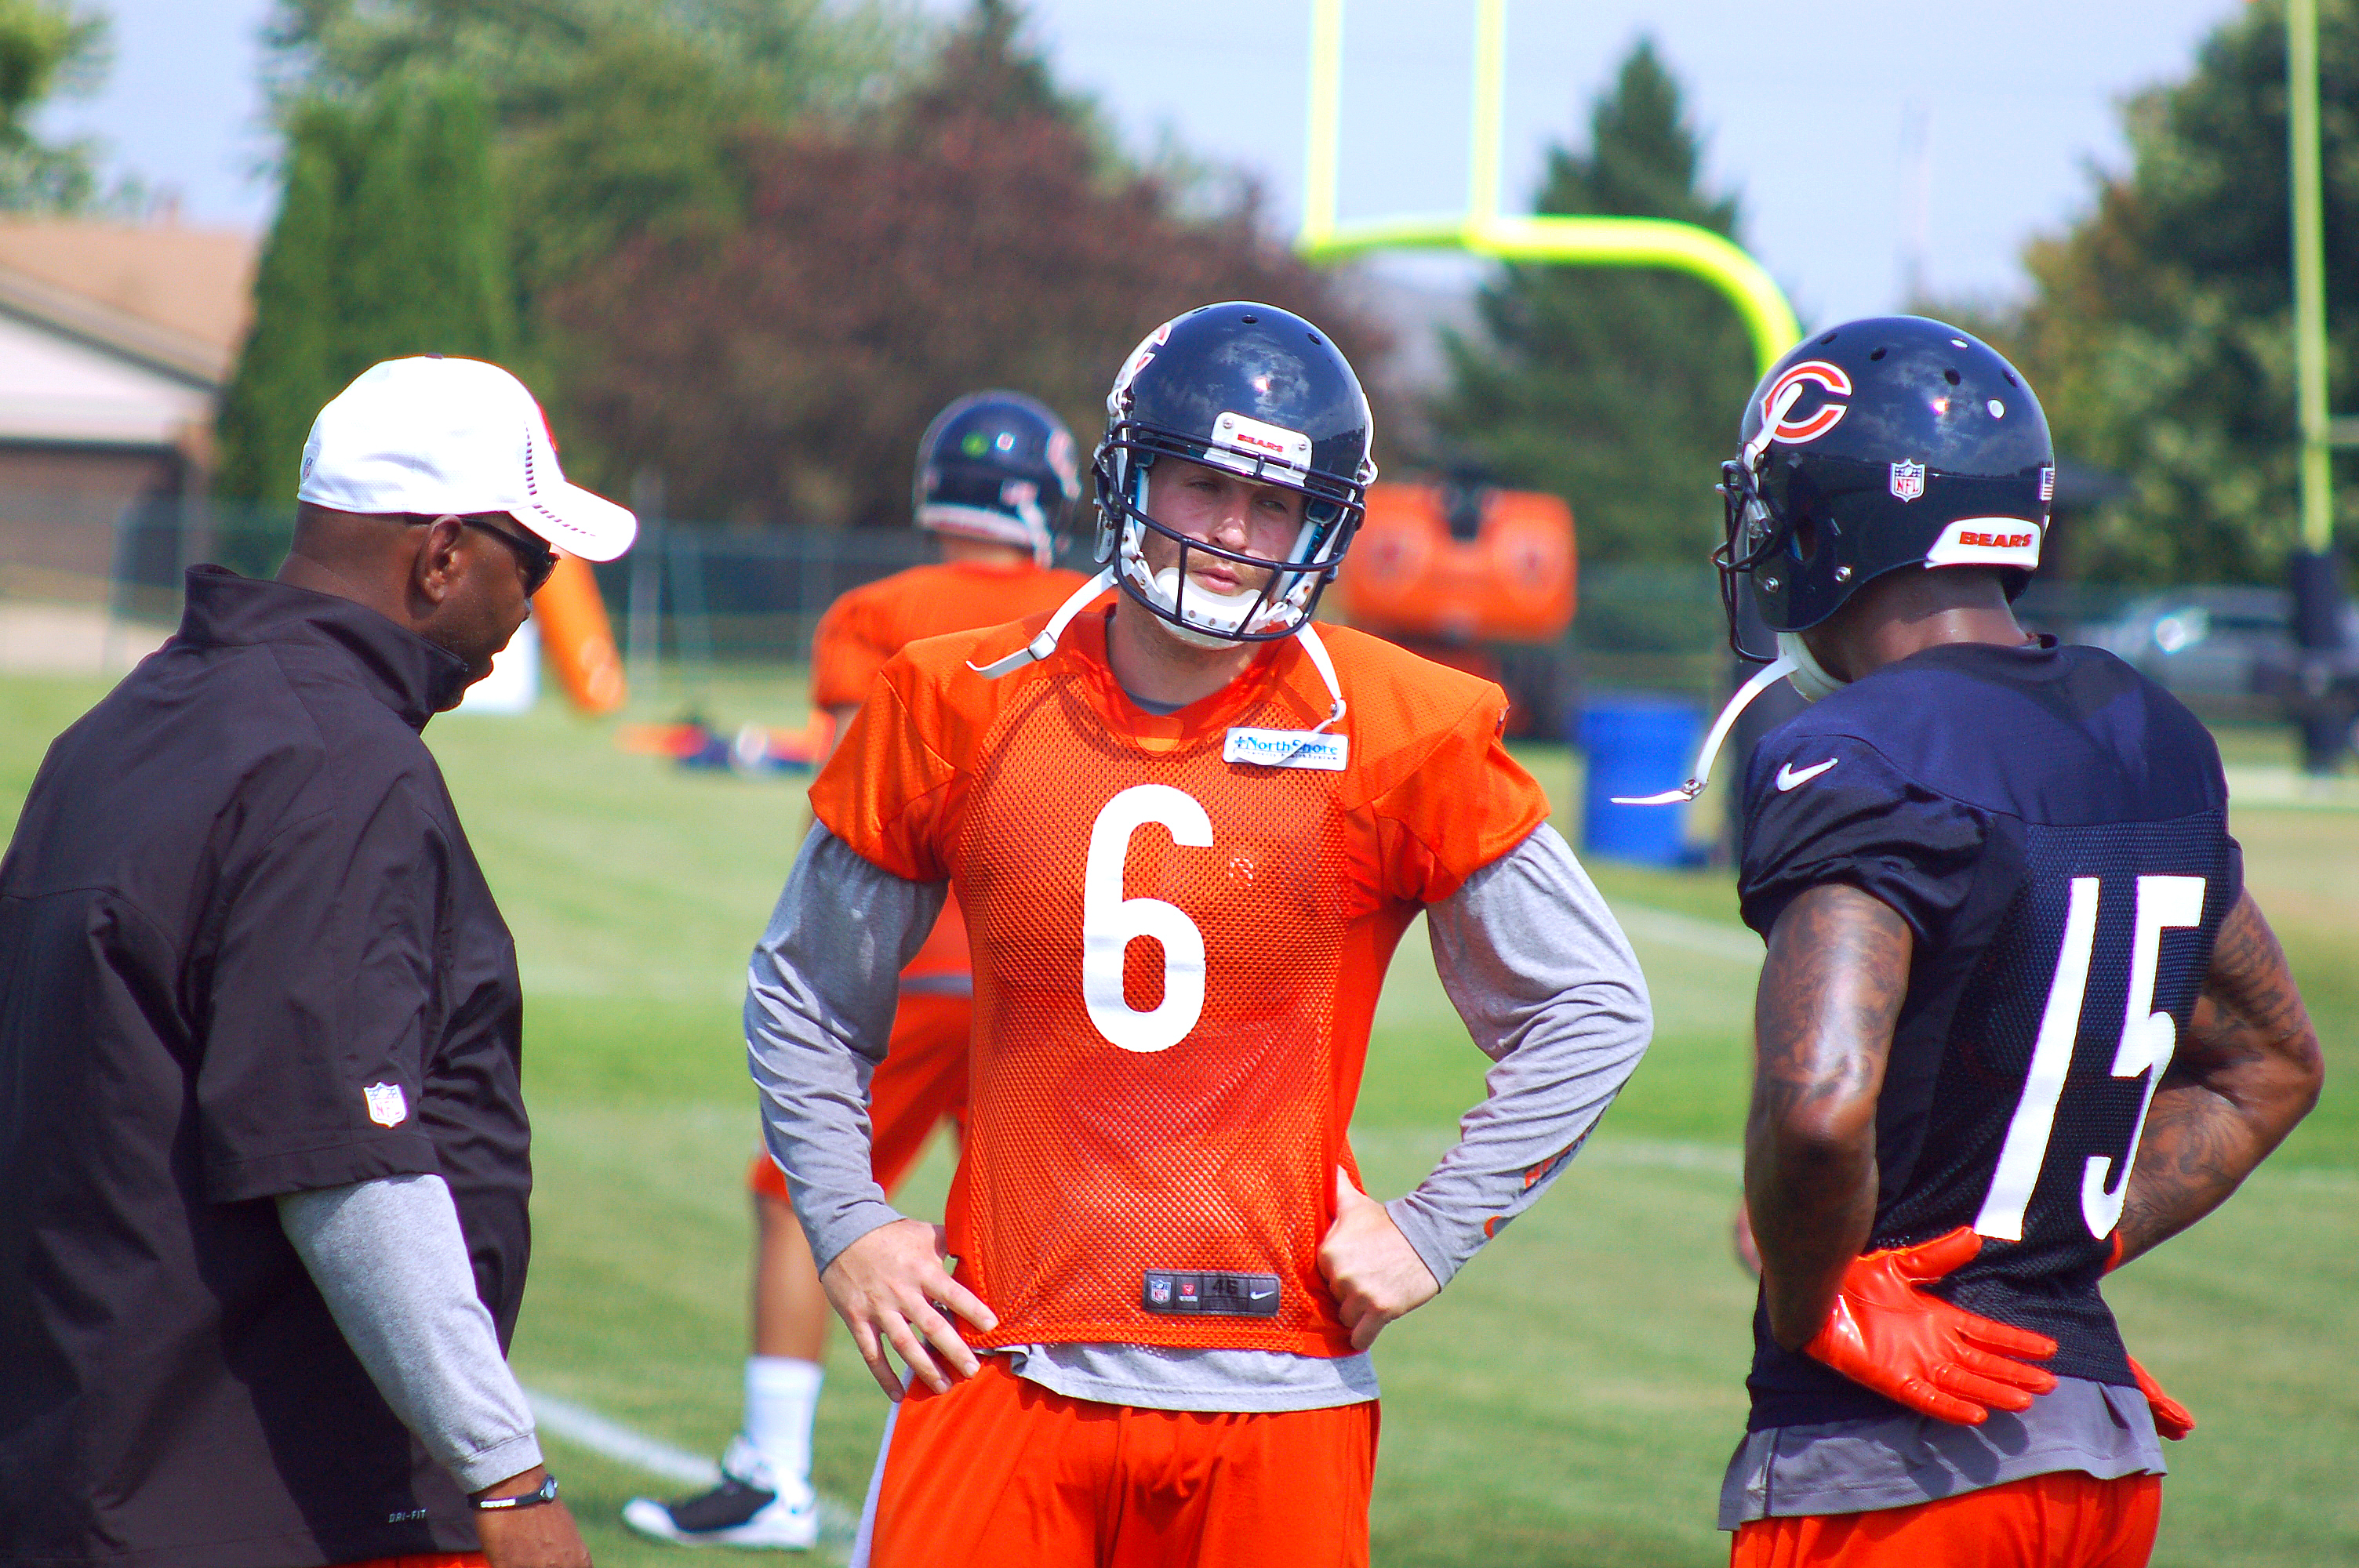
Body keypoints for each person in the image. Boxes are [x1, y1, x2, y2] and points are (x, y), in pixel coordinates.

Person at [744, 301, 1654, 1567]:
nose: (1234, 535)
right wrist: (846, 1219)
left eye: (1274, 505)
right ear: (1133, 471)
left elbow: (1594, 1004)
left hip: (1276, 1377)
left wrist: (1436, 1227)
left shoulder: (1399, 722)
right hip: (1006, 1353)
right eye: (1205, 484)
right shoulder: (957, 695)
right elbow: (804, 988)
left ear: (1322, 521)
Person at [1700, 317, 2323, 1566]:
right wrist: (2041, 1267)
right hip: (2090, 1446)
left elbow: (1821, 1108)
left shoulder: (1858, 751)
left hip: (1894, 1459)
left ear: (1827, 527)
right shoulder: (2149, 733)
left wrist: (1818, 1304)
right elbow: (2271, 1064)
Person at [0, 356, 638, 1568]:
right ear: (441, 557)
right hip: (260, 1495)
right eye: (533, 566)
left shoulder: (121, 727)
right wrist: (507, 1473)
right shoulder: (339, 763)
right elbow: (345, 1163)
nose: (526, 613)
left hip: (85, 1468)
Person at [623, 390, 1094, 1549]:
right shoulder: (1098, 613)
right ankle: (1058, 1470)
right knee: (1044, 1223)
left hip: (917, 963)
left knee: (801, 1196)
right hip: (1057, 974)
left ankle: (774, 1472)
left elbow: (850, 806)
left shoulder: (879, 612)